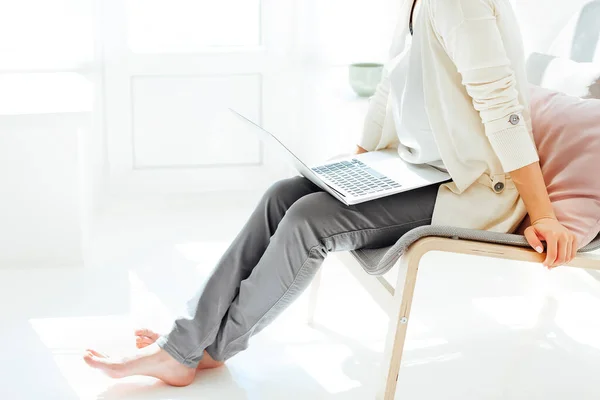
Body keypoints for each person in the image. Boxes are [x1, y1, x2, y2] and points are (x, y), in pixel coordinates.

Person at [83, 0, 578, 386]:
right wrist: (354, 168)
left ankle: (204, 350)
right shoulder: (418, 5)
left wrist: (544, 214)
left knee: (310, 221)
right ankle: (186, 341)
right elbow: (390, 88)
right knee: (285, 195)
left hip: (472, 190)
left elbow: (502, 106)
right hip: (421, 170)